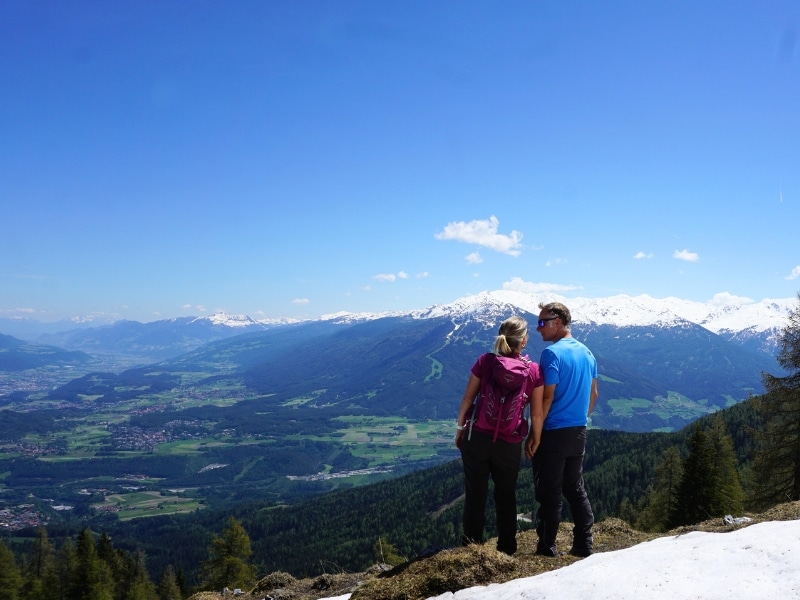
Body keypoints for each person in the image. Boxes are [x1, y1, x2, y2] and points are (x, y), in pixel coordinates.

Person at [455, 315, 544, 556]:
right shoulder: (533, 370)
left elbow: (467, 399)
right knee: (506, 494)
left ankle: (472, 548)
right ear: (523, 341)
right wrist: (534, 438)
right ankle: (507, 548)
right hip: (509, 442)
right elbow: (536, 414)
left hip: (478, 438)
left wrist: (461, 428)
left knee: (475, 494)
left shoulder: (485, 362)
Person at [525, 301, 598, 558]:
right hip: (578, 431)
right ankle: (583, 543)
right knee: (575, 487)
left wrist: (535, 434)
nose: (538, 328)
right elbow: (594, 393)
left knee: (549, 491)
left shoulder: (552, 354)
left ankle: (547, 547)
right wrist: (579, 418)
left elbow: (546, 397)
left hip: (553, 432)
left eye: (542, 322)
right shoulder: (588, 353)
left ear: (557, 322)